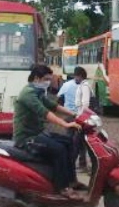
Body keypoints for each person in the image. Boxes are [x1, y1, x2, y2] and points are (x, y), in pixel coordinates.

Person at [12, 63, 83, 198]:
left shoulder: (37, 92)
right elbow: (45, 112)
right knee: (59, 149)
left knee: (69, 142)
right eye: (46, 79)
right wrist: (65, 124)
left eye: (49, 79)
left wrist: (74, 114)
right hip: (27, 138)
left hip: (38, 133)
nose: (49, 82)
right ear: (37, 78)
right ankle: (62, 187)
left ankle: (72, 181)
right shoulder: (28, 94)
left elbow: (53, 106)